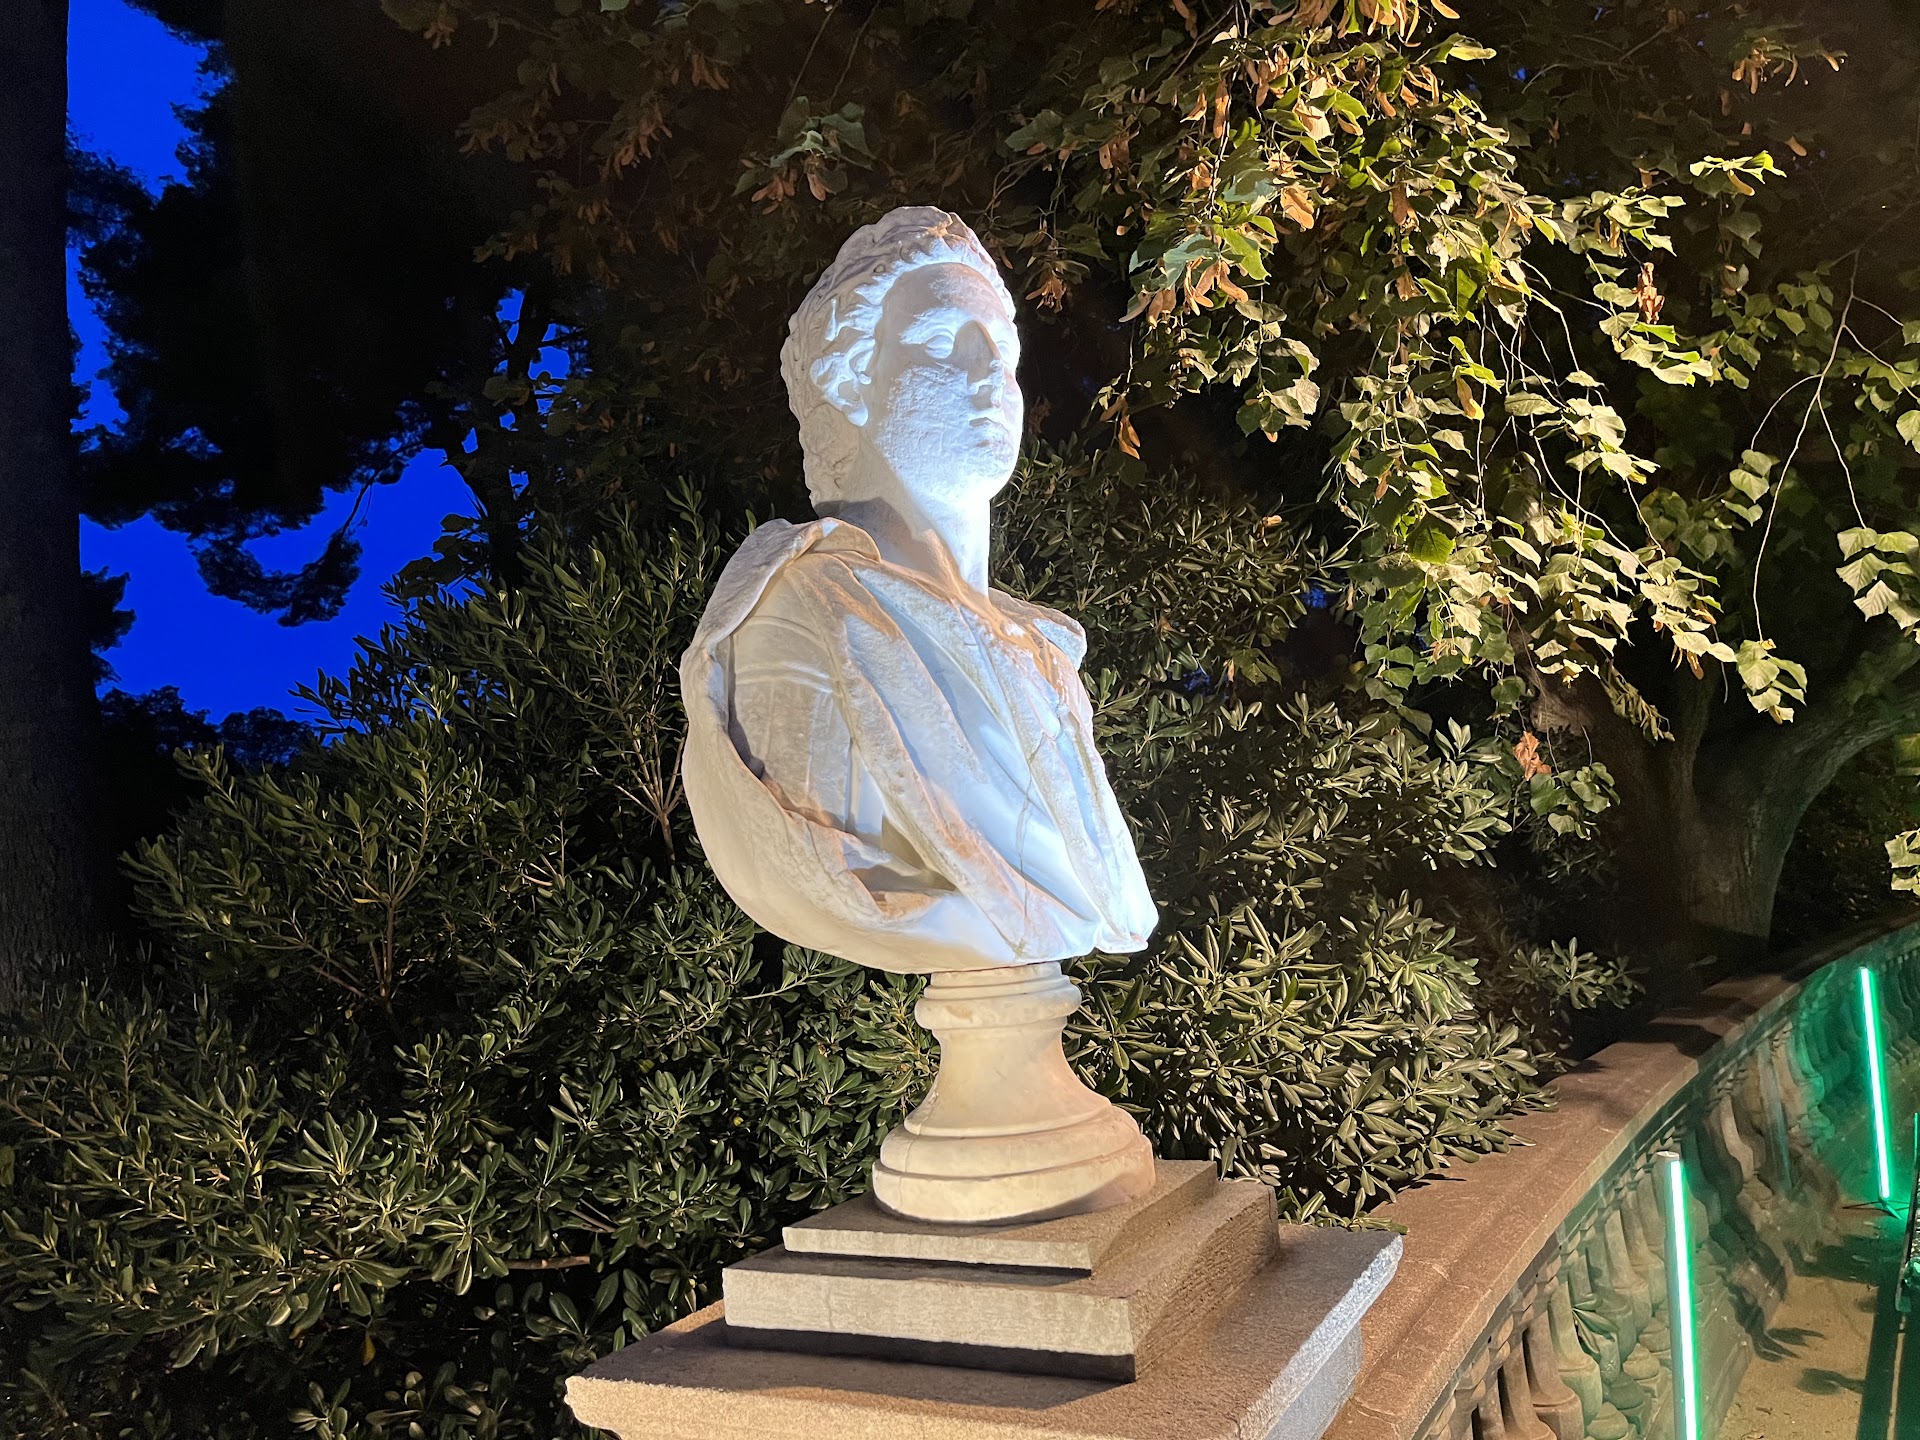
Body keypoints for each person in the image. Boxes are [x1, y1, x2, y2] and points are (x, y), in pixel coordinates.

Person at [679, 206, 1156, 976]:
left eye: (1002, 351)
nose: (991, 374)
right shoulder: (801, 614)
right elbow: (833, 871)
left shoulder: (1040, 652)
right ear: (850, 381)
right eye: (943, 341)